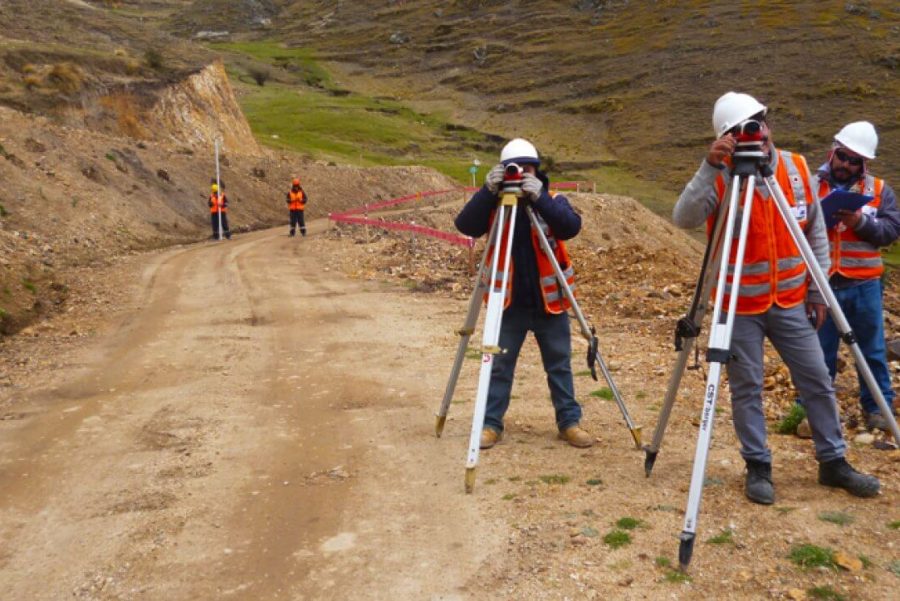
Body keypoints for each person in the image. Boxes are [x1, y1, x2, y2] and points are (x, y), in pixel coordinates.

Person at [672, 92, 879, 504]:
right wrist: (710, 165)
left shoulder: (795, 168)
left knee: (818, 380)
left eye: (759, 123)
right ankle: (758, 466)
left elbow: (814, 233)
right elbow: (684, 218)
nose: (756, 133)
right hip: (739, 306)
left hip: (789, 301)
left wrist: (818, 290)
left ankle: (833, 461)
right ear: (726, 137)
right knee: (746, 387)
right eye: (742, 128)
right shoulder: (720, 174)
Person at [454, 138, 592, 449]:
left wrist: (538, 196)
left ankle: (569, 422)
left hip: (550, 303)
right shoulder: (494, 206)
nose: (520, 173)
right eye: (513, 168)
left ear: (537, 170)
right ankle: (491, 424)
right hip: (508, 304)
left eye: (527, 167)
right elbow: (465, 225)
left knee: (559, 364)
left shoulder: (552, 199)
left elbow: (570, 227)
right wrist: (487, 192)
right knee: (499, 365)